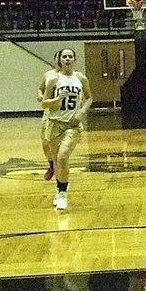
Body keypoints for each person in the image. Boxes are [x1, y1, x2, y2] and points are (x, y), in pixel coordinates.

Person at [41, 48, 93, 212]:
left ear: (74, 60)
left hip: (72, 124)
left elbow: (89, 98)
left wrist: (81, 112)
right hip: (55, 123)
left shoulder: (81, 78)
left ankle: (63, 193)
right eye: (65, 57)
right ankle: (59, 188)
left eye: (70, 56)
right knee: (57, 161)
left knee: (63, 157)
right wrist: (57, 99)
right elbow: (44, 103)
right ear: (60, 60)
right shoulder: (53, 80)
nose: (68, 59)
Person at [37, 51, 62, 181]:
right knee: (45, 142)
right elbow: (40, 89)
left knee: (62, 142)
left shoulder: (71, 77)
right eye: (57, 58)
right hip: (49, 112)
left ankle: (61, 166)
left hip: (63, 113)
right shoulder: (48, 75)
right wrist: (41, 96)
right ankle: (52, 165)